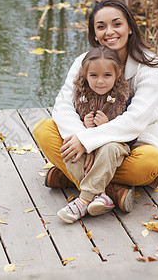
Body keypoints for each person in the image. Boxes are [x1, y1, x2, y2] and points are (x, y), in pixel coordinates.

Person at [33, 0, 158, 223]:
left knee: (151, 163)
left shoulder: (151, 66)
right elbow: (63, 106)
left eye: (117, 24)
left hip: (132, 148)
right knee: (43, 129)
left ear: (129, 28)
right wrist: (84, 141)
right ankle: (110, 191)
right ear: (94, 34)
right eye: (101, 26)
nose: (110, 32)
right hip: (86, 138)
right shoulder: (83, 62)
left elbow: (135, 120)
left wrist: (88, 141)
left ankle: (72, 178)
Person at [56, 45, 135, 223]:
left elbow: (131, 130)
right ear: (85, 75)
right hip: (85, 148)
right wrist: (85, 127)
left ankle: (83, 200)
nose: (100, 81)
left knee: (108, 149)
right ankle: (101, 196)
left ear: (118, 74)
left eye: (107, 75)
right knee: (69, 150)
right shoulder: (81, 95)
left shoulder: (124, 98)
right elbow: (71, 121)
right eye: (93, 75)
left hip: (114, 147)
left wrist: (108, 126)